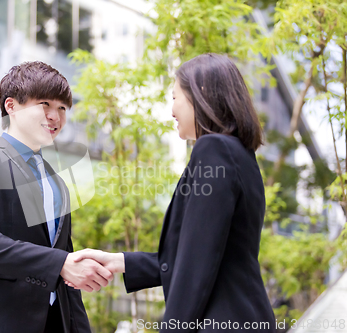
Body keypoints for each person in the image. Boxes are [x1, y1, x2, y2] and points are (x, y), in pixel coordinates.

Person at [69, 53, 277, 332]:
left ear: (200, 93)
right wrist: (118, 261)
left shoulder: (212, 150)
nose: (172, 110)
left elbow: (195, 266)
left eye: (174, 97)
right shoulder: (241, 155)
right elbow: (201, 255)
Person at [0, 61, 113, 333]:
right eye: (45, 104)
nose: (55, 117)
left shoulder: (57, 182)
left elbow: (66, 267)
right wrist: (59, 264)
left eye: (62, 108)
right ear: (11, 106)